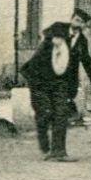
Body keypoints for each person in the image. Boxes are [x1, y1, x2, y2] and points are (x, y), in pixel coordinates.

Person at [20, 22, 78, 162]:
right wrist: (37, 87)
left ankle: (59, 151)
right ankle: (45, 145)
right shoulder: (45, 47)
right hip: (41, 86)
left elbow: (70, 70)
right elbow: (27, 69)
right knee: (45, 114)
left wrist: (70, 91)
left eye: (60, 37)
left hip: (60, 86)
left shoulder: (68, 48)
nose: (56, 39)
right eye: (54, 36)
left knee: (61, 115)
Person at [63, 8, 91, 126]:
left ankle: (70, 118)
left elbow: (87, 61)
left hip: (70, 74)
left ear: (84, 25)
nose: (78, 24)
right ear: (71, 19)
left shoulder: (82, 41)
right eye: (76, 20)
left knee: (69, 93)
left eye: (81, 22)